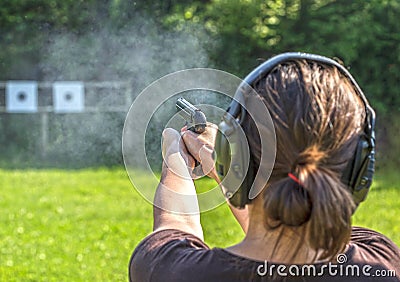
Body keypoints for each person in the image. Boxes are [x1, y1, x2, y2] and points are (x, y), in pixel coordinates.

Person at [129, 53, 400, 281]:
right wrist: (226, 165)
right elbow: (290, 228)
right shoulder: (382, 261)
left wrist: (177, 159)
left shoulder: (172, 272)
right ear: (359, 169)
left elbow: (176, 224)